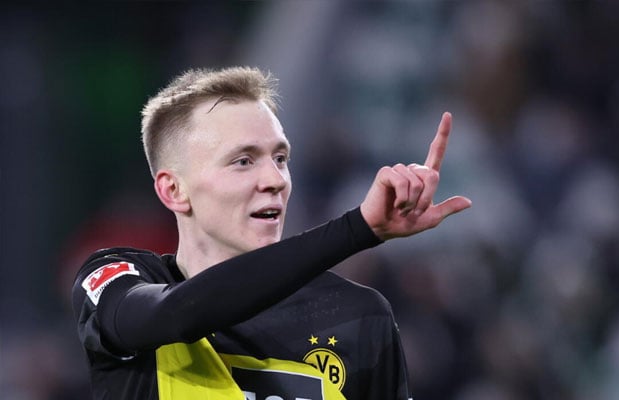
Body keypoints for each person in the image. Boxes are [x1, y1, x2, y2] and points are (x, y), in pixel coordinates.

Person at [72, 66, 471, 400]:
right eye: (243, 161)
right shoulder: (118, 278)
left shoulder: (356, 314)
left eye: (280, 158)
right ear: (173, 190)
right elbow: (177, 315)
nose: (275, 180)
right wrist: (358, 229)